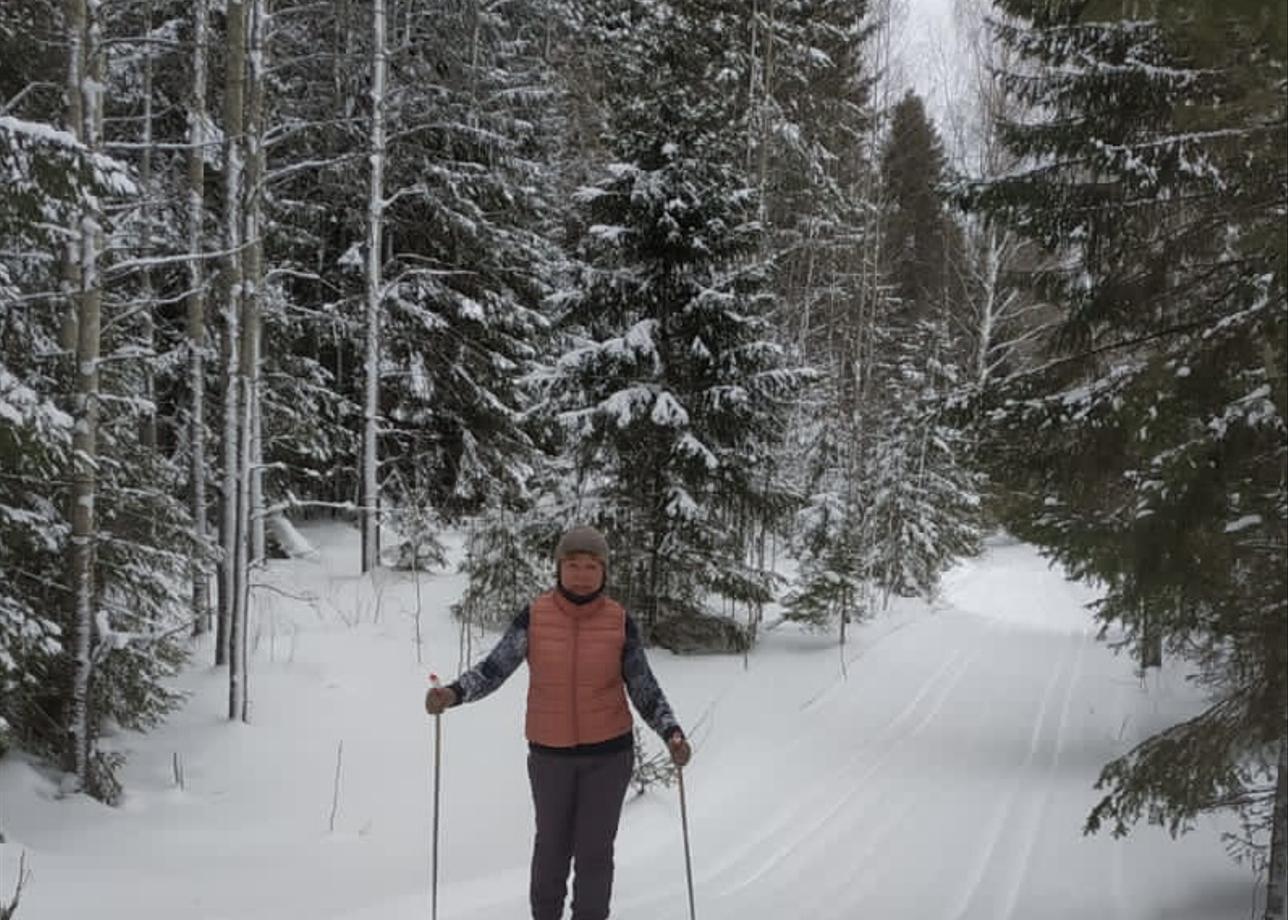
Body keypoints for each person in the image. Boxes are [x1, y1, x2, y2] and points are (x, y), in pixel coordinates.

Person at [424, 524, 692, 920]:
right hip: (550, 757)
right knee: (551, 846)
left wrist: (671, 733)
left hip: (609, 755)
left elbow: (643, 687)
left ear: (603, 572)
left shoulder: (618, 621)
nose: (582, 575)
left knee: (594, 851)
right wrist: (453, 693)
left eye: (591, 566)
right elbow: (494, 668)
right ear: (558, 569)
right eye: (573, 565)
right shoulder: (535, 617)